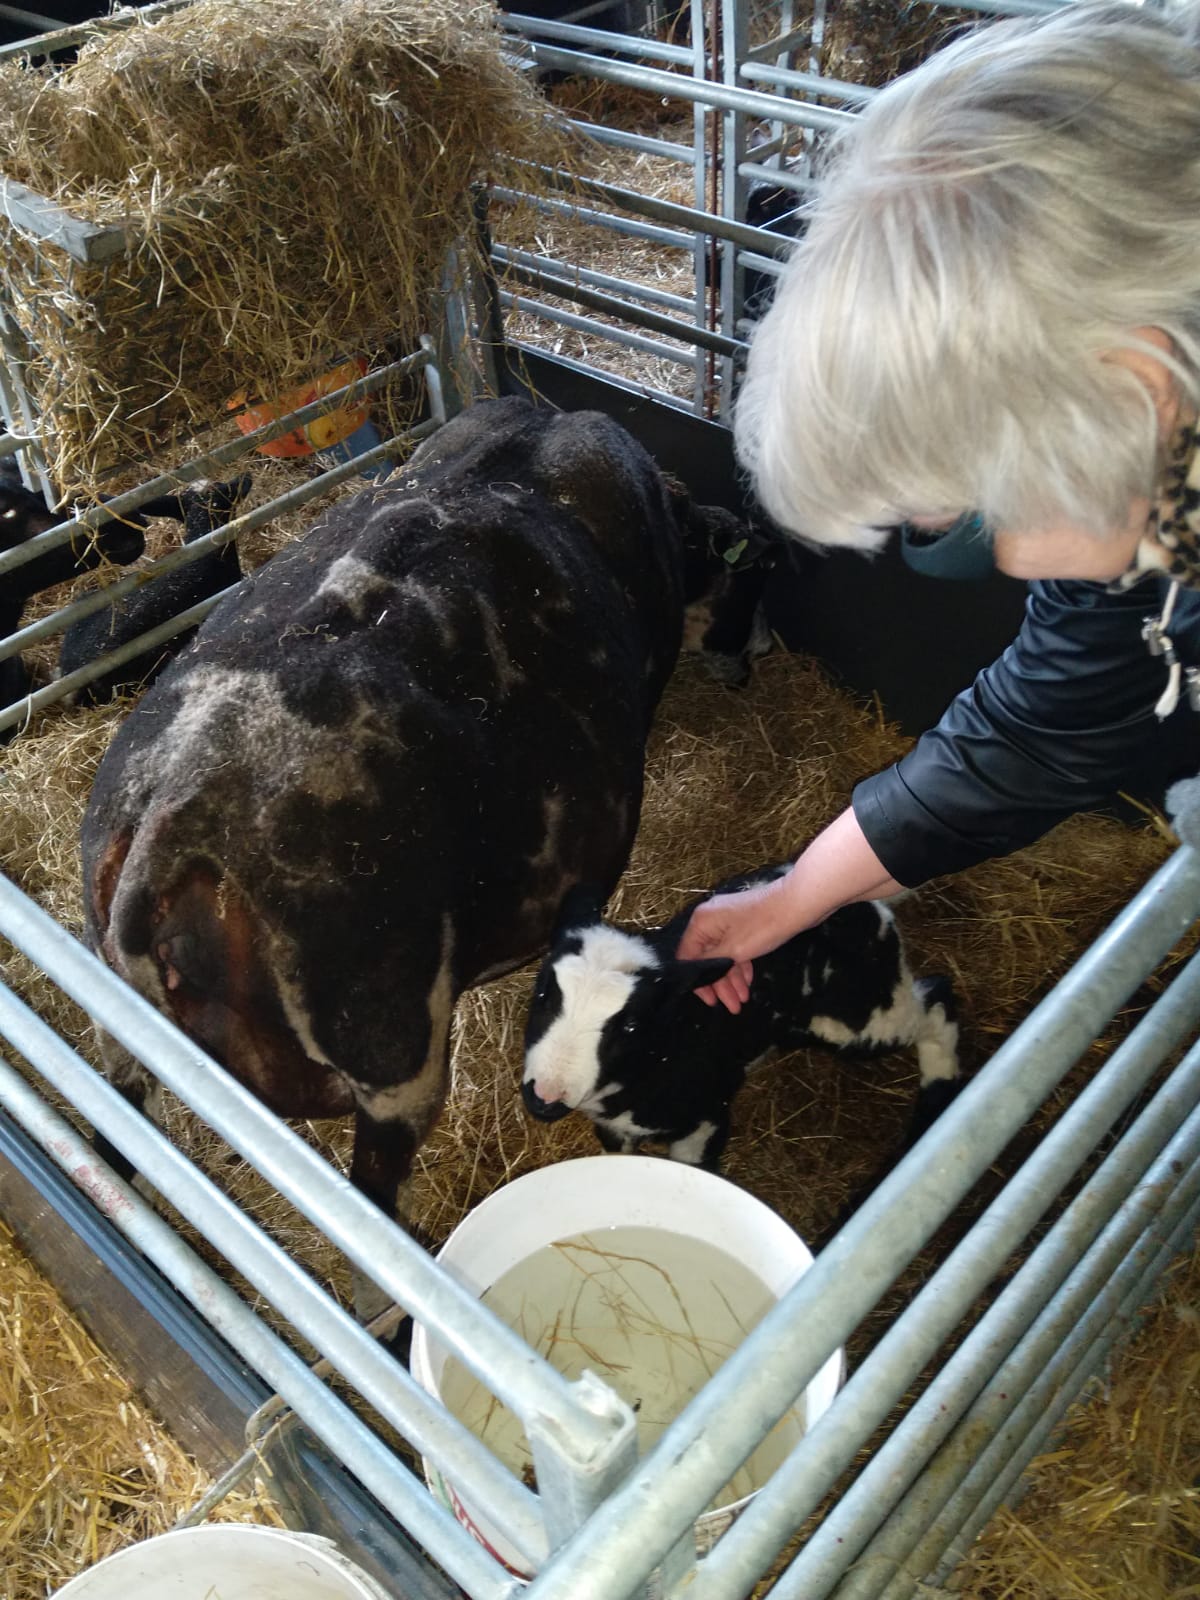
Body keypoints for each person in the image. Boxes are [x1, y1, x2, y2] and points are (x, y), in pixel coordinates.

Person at [678, 0, 1200, 1012]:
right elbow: (1044, 725)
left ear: (1135, 392)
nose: (1007, 561)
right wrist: (794, 897)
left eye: (986, 502)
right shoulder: (1150, 484)